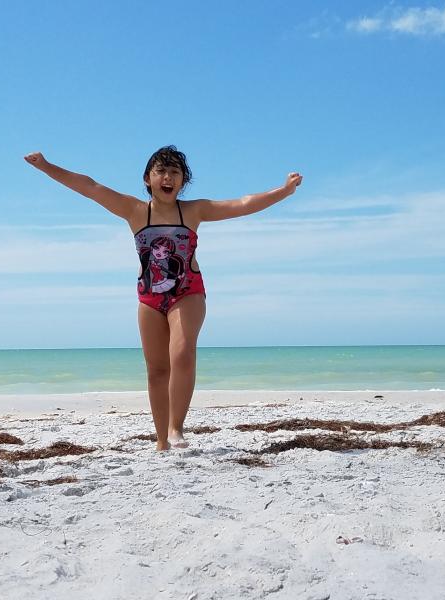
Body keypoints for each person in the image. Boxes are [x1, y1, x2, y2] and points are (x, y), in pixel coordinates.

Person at [25, 145, 302, 450]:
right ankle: (161, 442)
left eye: (175, 172)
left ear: (183, 181)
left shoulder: (194, 211)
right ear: (148, 178)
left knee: (182, 354)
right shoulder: (134, 211)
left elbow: (242, 204)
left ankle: (176, 428)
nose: (168, 177)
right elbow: (90, 187)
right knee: (157, 370)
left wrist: (284, 191)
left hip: (188, 292)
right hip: (149, 299)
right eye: (161, 171)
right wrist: (46, 167)